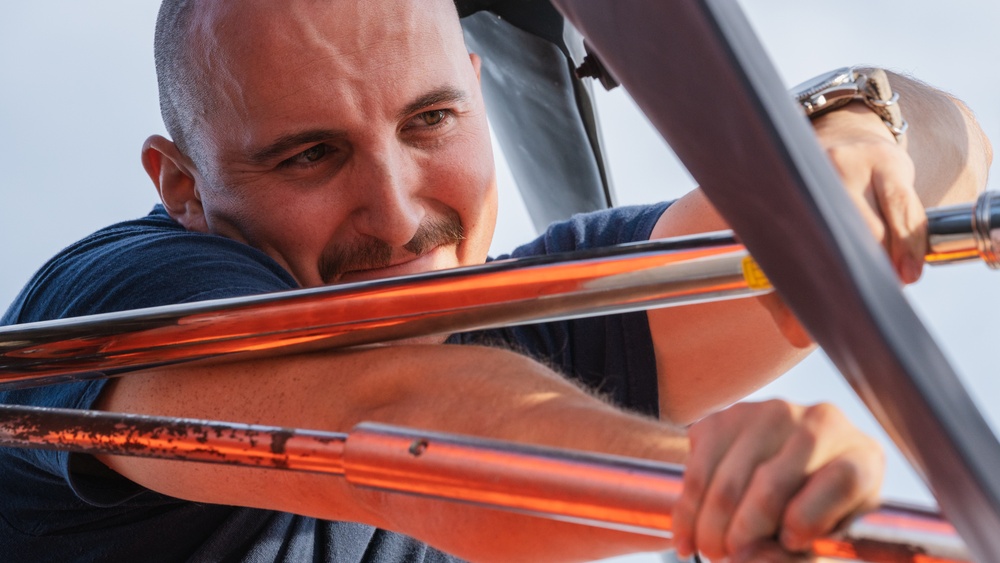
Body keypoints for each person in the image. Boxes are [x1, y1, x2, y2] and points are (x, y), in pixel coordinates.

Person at [0, 0, 990, 562]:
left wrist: (851, 135)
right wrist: (705, 478)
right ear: (183, 185)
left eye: (429, 123)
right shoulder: (120, 293)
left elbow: (947, 133)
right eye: (309, 156)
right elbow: (391, 416)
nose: (395, 213)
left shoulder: (522, 335)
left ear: (476, 96)